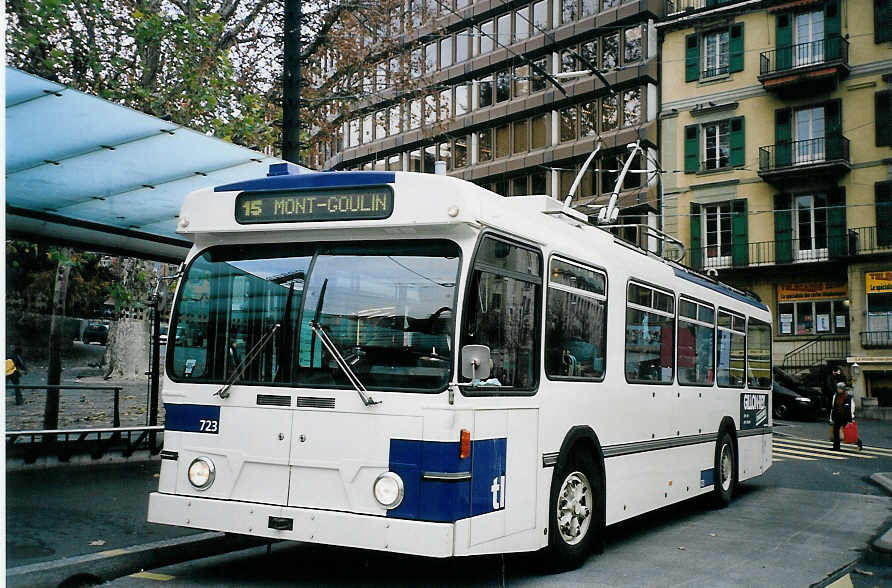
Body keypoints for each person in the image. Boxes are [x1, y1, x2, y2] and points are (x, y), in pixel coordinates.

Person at [830, 382, 862, 451]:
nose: (838, 390)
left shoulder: (848, 397)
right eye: (838, 388)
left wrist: (850, 420)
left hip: (846, 417)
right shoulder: (836, 396)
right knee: (835, 431)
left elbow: (851, 408)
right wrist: (832, 417)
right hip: (838, 416)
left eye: (840, 388)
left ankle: (859, 443)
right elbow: (834, 407)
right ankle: (836, 447)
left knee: (849, 432)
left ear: (843, 389)